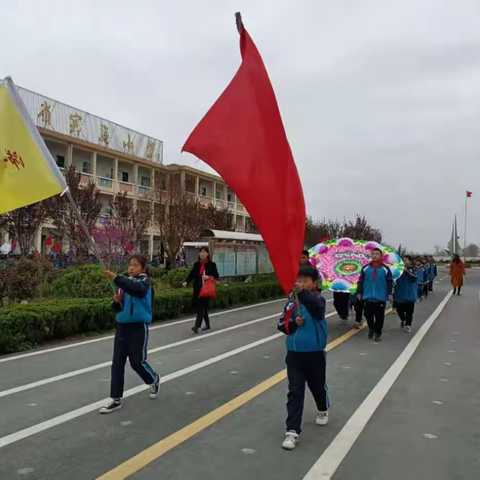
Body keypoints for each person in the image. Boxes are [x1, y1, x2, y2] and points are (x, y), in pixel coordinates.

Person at [277, 265, 329, 451]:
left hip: (314, 354)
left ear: (314, 283)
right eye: (298, 280)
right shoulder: (291, 304)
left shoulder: (318, 301)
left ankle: (322, 409)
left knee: (317, 387)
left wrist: (302, 294)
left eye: (306, 280)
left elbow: (316, 309)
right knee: (295, 392)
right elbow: (281, 325)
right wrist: (293, 323)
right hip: (294, 356)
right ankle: (292, 431)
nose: (301, 283)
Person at [101, 254, 160, 414]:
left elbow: (138, 291)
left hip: (138, 327)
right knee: (117, 363)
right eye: (130, 265)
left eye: (135, 265)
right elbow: (117, 308)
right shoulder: (124, 284)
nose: (131, 268)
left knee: (136, 362)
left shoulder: (143, 282)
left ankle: (153, 379)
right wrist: (116, 301)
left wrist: (116, 277)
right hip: (122, 327)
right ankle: (115, 398)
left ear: (142, 268)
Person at [356, 248, 393, 342]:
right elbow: (361, 281)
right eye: (373, 254)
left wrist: (389, 293)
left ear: (381, 256)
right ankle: (371, 328)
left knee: (379, 317)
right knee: (368, 315)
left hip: (380, 297)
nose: (375, 256)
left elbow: (389, 282)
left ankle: (378, 332)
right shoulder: (365, 268)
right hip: (367, 297)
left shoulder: (385, 269)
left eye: (377, 254)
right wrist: (359, 292)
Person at [183, 247, 220, 333]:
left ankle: (196, 326)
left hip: (206, 288)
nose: (202, 254)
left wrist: (208, 277)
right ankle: (207, 324)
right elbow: (191, 274)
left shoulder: (212, 265)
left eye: (204, 252)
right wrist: (186, 281)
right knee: (202, 307)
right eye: (201, 252)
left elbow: (216, 277)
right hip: (197, 288)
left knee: (201, 307)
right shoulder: (197, 264)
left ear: (207, 254)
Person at [394, 256, 418, 333]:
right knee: (399, 309)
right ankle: (403, 319)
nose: (404, 262)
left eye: (405, 260)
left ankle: (408, 325)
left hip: (410, 294)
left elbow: (414, 278)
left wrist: (406, 271)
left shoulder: (413, 270)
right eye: (402, 260)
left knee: (409, 311)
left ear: (410, 261)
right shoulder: (398, 270)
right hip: (399, 294)